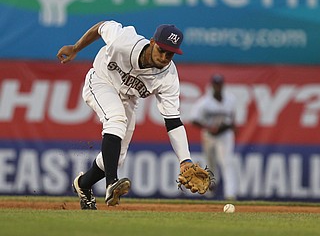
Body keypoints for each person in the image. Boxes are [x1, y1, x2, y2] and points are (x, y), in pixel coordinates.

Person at [56, 20, 195, 209]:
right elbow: (101, 26)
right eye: (161, 50)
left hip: (128, 98)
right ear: (152, 42)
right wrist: (76, 48)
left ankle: (83, 185)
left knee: (116, 157)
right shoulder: (125, 40)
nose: (164, 56)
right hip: (100, 81)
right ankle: (112, 183)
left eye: (169, 53)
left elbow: (173, 121)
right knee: (116, 120)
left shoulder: (168, 77)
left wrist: (185, 159)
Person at [190, 74, 238, 200]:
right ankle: (209, 193)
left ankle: (230, 194)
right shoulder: (204, 102)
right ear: (212, 86)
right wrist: (208, 127)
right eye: (215, 84)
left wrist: (226, 127)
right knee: (210, 164)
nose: (218, 86)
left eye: (219, 84)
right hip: (209, 135)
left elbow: (232, 120)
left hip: (225, 135)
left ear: (222, 85)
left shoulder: (231, 100)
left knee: (227, 162)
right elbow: (194, 119)